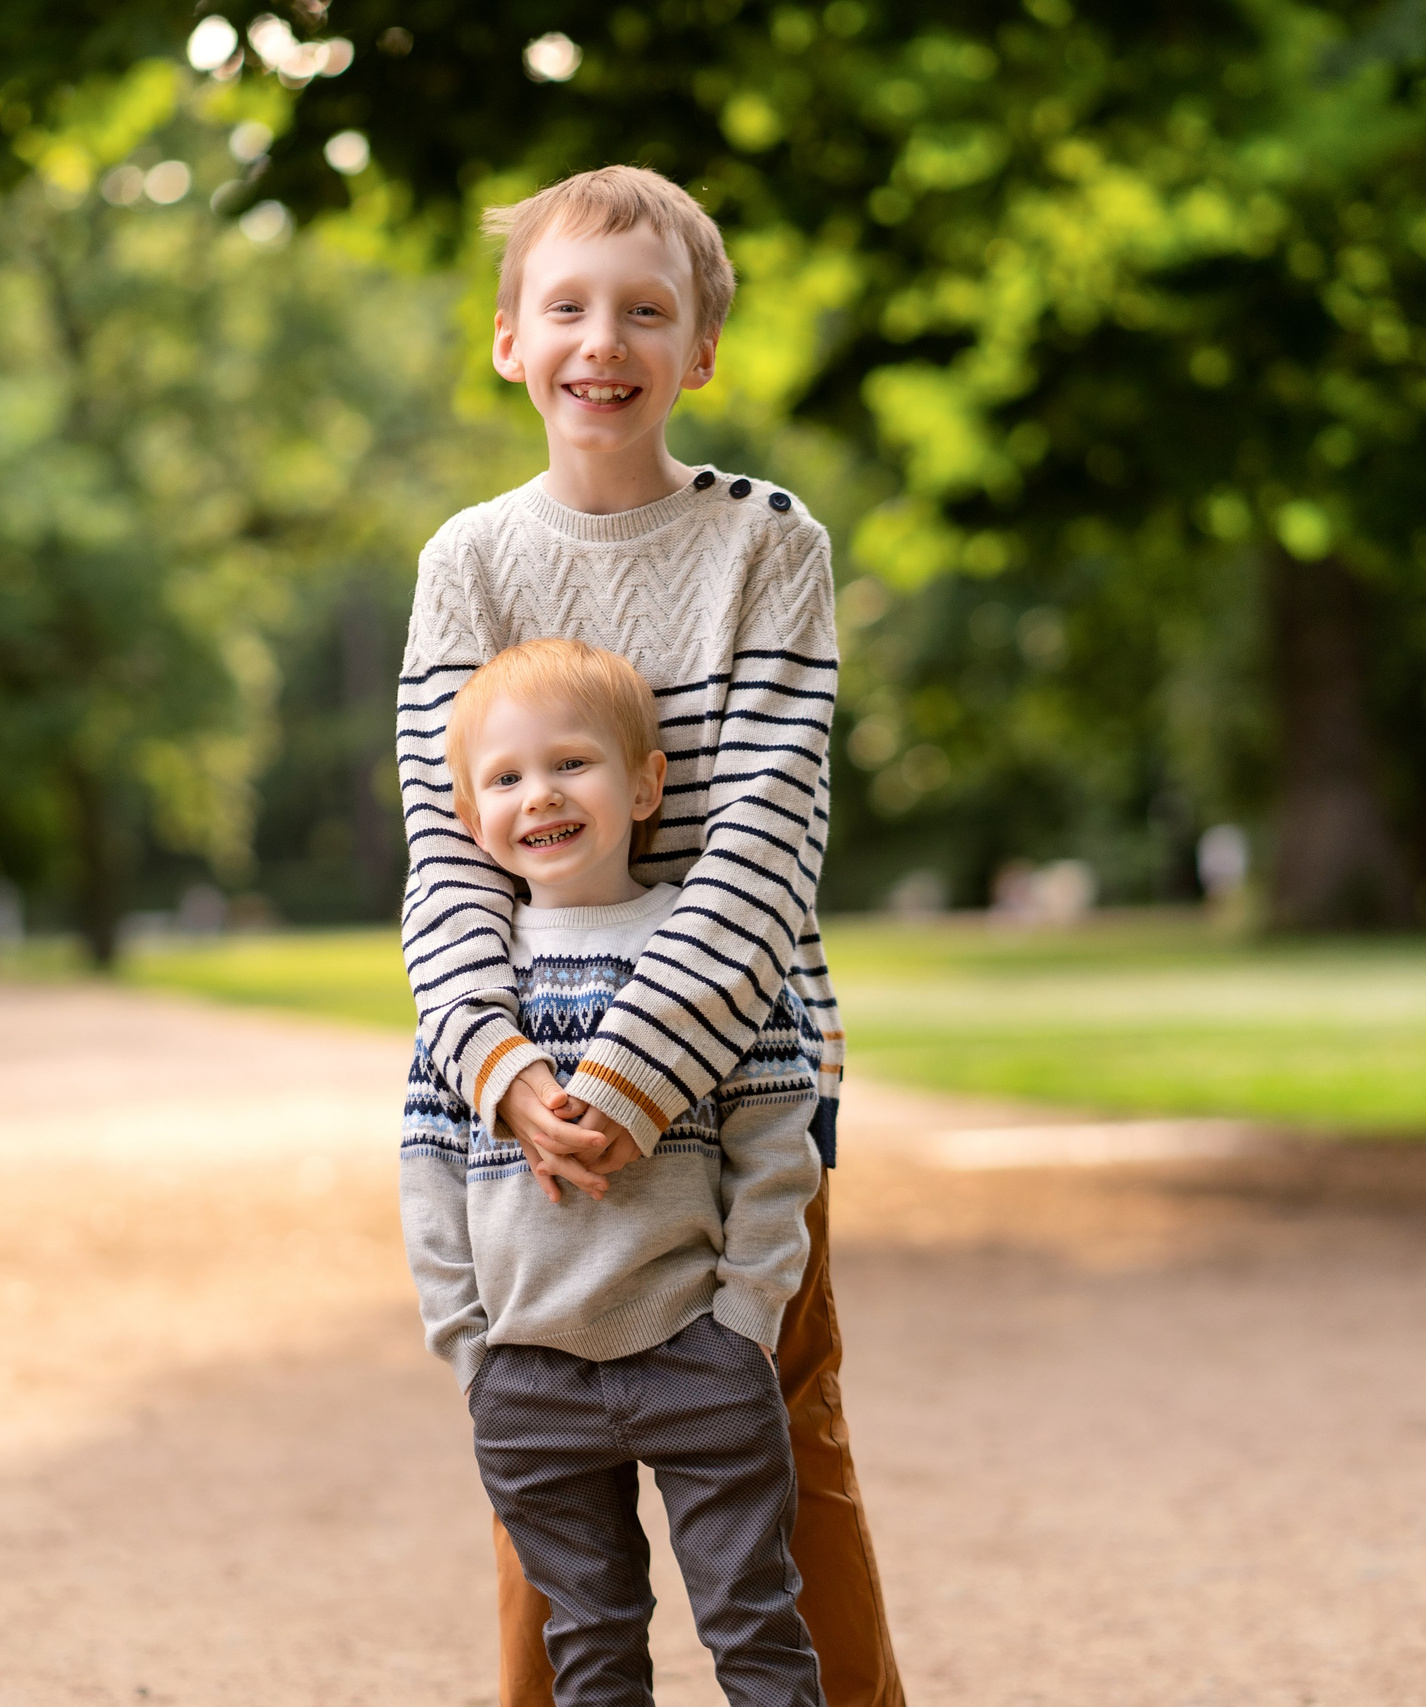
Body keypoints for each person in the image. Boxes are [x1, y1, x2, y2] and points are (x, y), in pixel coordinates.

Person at [395, 165, 907, 1707]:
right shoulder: (468, 563)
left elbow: (761, 846)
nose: (599, 341)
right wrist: (499, 1070)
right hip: (516, 1100)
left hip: (745, 1068)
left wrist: (625, 1085)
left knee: (778, 1443)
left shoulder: (768, 545)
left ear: (700, 352)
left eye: (644, 310)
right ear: (509, 342)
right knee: (541, 1476)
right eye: (565, 307)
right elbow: (446, 849)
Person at [402, 636, 829, 1707]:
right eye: (504, 778)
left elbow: (776, 1145)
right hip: (529, 1375)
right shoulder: (474, 998)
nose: (538, 795)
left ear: (645, 785)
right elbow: (428, 1174)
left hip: (696, 1352)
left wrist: (745, 1318)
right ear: (470, 819)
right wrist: (471, 1348)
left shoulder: (706, 963)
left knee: (756, 1627)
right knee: (588, 1650)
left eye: (571, 764)